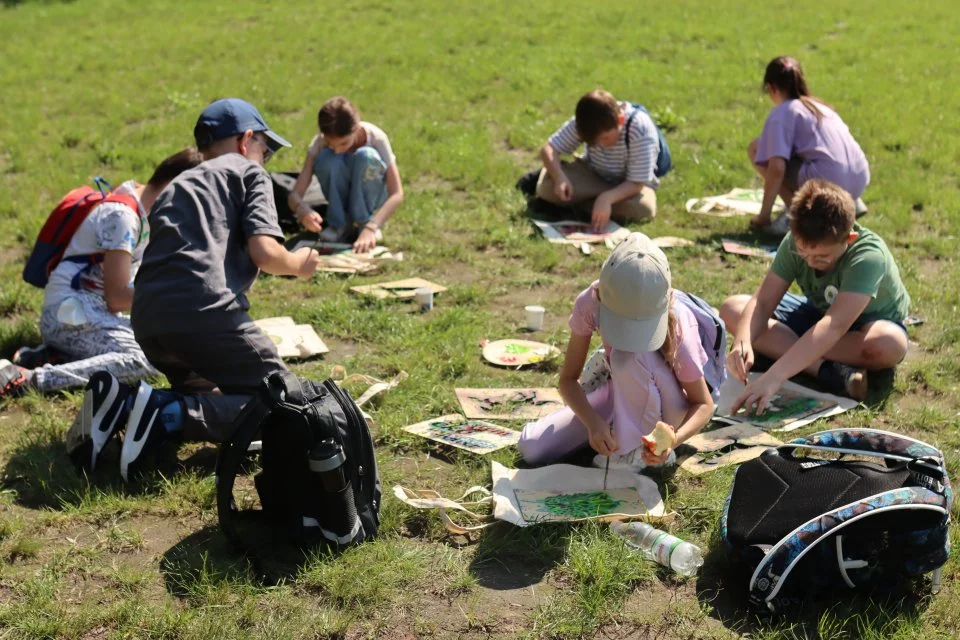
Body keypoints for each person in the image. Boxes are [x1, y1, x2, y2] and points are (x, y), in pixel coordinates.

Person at [64, 98, 322, 480]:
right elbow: (265, 252)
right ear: (246, 140)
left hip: (149, 319)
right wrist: (299, 264)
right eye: (265, 151)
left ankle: (126, 403)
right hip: (205, 313)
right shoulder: (249, 173)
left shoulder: (176, 184)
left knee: (214, 396)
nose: (264, 160)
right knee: (284, 401)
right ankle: (167, 414)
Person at [0, 149, 201, 397]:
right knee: (151, 359)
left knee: (178, 344)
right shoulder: (123, 217)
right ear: (175, 188)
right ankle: (28, 379)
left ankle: (55, 354)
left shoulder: (141, 206)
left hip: (93, 314)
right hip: (70, 314)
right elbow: (116, 297)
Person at [518, 233, 715, 471]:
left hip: (671, 410)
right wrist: (594, 424)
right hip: (622, 387)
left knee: (626, 357)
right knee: (532, 448)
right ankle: (621, 429)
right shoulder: (589, 302)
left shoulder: (680, 320)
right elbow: (568, 380)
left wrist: (673, 441)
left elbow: (703, 404)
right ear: (600, 295)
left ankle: (631, 450)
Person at [720, 180, 910, 412]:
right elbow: (763, 301)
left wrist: (775, 375)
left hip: (861, 328)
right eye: (802, 252)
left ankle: (792, 353)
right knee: (732, 310)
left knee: (889, 345)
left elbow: (835, 324)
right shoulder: (794, 242)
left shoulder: (868, 256)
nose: (810, 261)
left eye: (821, 257)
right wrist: (743, 341)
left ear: (848, 239)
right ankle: (828, 372)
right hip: (820, 317)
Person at [748, 55, 870, 236]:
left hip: (830, 180)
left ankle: (796, 214)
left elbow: (776, 169)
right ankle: (850, 203)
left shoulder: (782, 112)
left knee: (757, 148)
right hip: (860, 178)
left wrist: (763, 217)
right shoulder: (820, 107)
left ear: (771, 88)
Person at [289, 96, 404, 253]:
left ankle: (363, 221)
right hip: (340, 194)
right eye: (331, 144)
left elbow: (397, 193)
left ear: (356, 128)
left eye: (343, 143)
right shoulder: (319, 142)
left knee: (366, 156)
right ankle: (340, 225)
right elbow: (295, 194)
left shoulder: (376, 138)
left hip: (370, 193)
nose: (337, 150)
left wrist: (372, 227)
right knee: (328, 159)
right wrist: (303, 211)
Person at [534, 89, 661, 230]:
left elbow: (637, 183)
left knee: (644, 209)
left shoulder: (641, 130)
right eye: (593, 141)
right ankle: (592, 207)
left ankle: (580, 205)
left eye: (605, 138)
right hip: (594, 176)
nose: (601, 144)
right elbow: (549, 148)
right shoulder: (587, 121)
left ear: (620, 120)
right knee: (547, 187)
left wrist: (607, 198)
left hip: (629, 187)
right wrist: (559, 177)